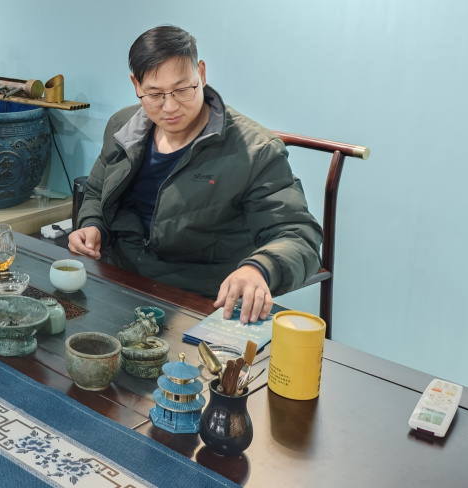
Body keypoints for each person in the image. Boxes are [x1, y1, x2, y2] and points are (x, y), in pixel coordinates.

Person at [68, 26, 322, 325]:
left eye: (182, 89)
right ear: (136, 84)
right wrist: (92, 225)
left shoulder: (254, 151)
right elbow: (96, 191)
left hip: (202, 302)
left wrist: (259, 268)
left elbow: (298, 235)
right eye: (155, 94)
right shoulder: (123, 127)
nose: (170, 106)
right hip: (123, 283)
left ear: (201, 73)